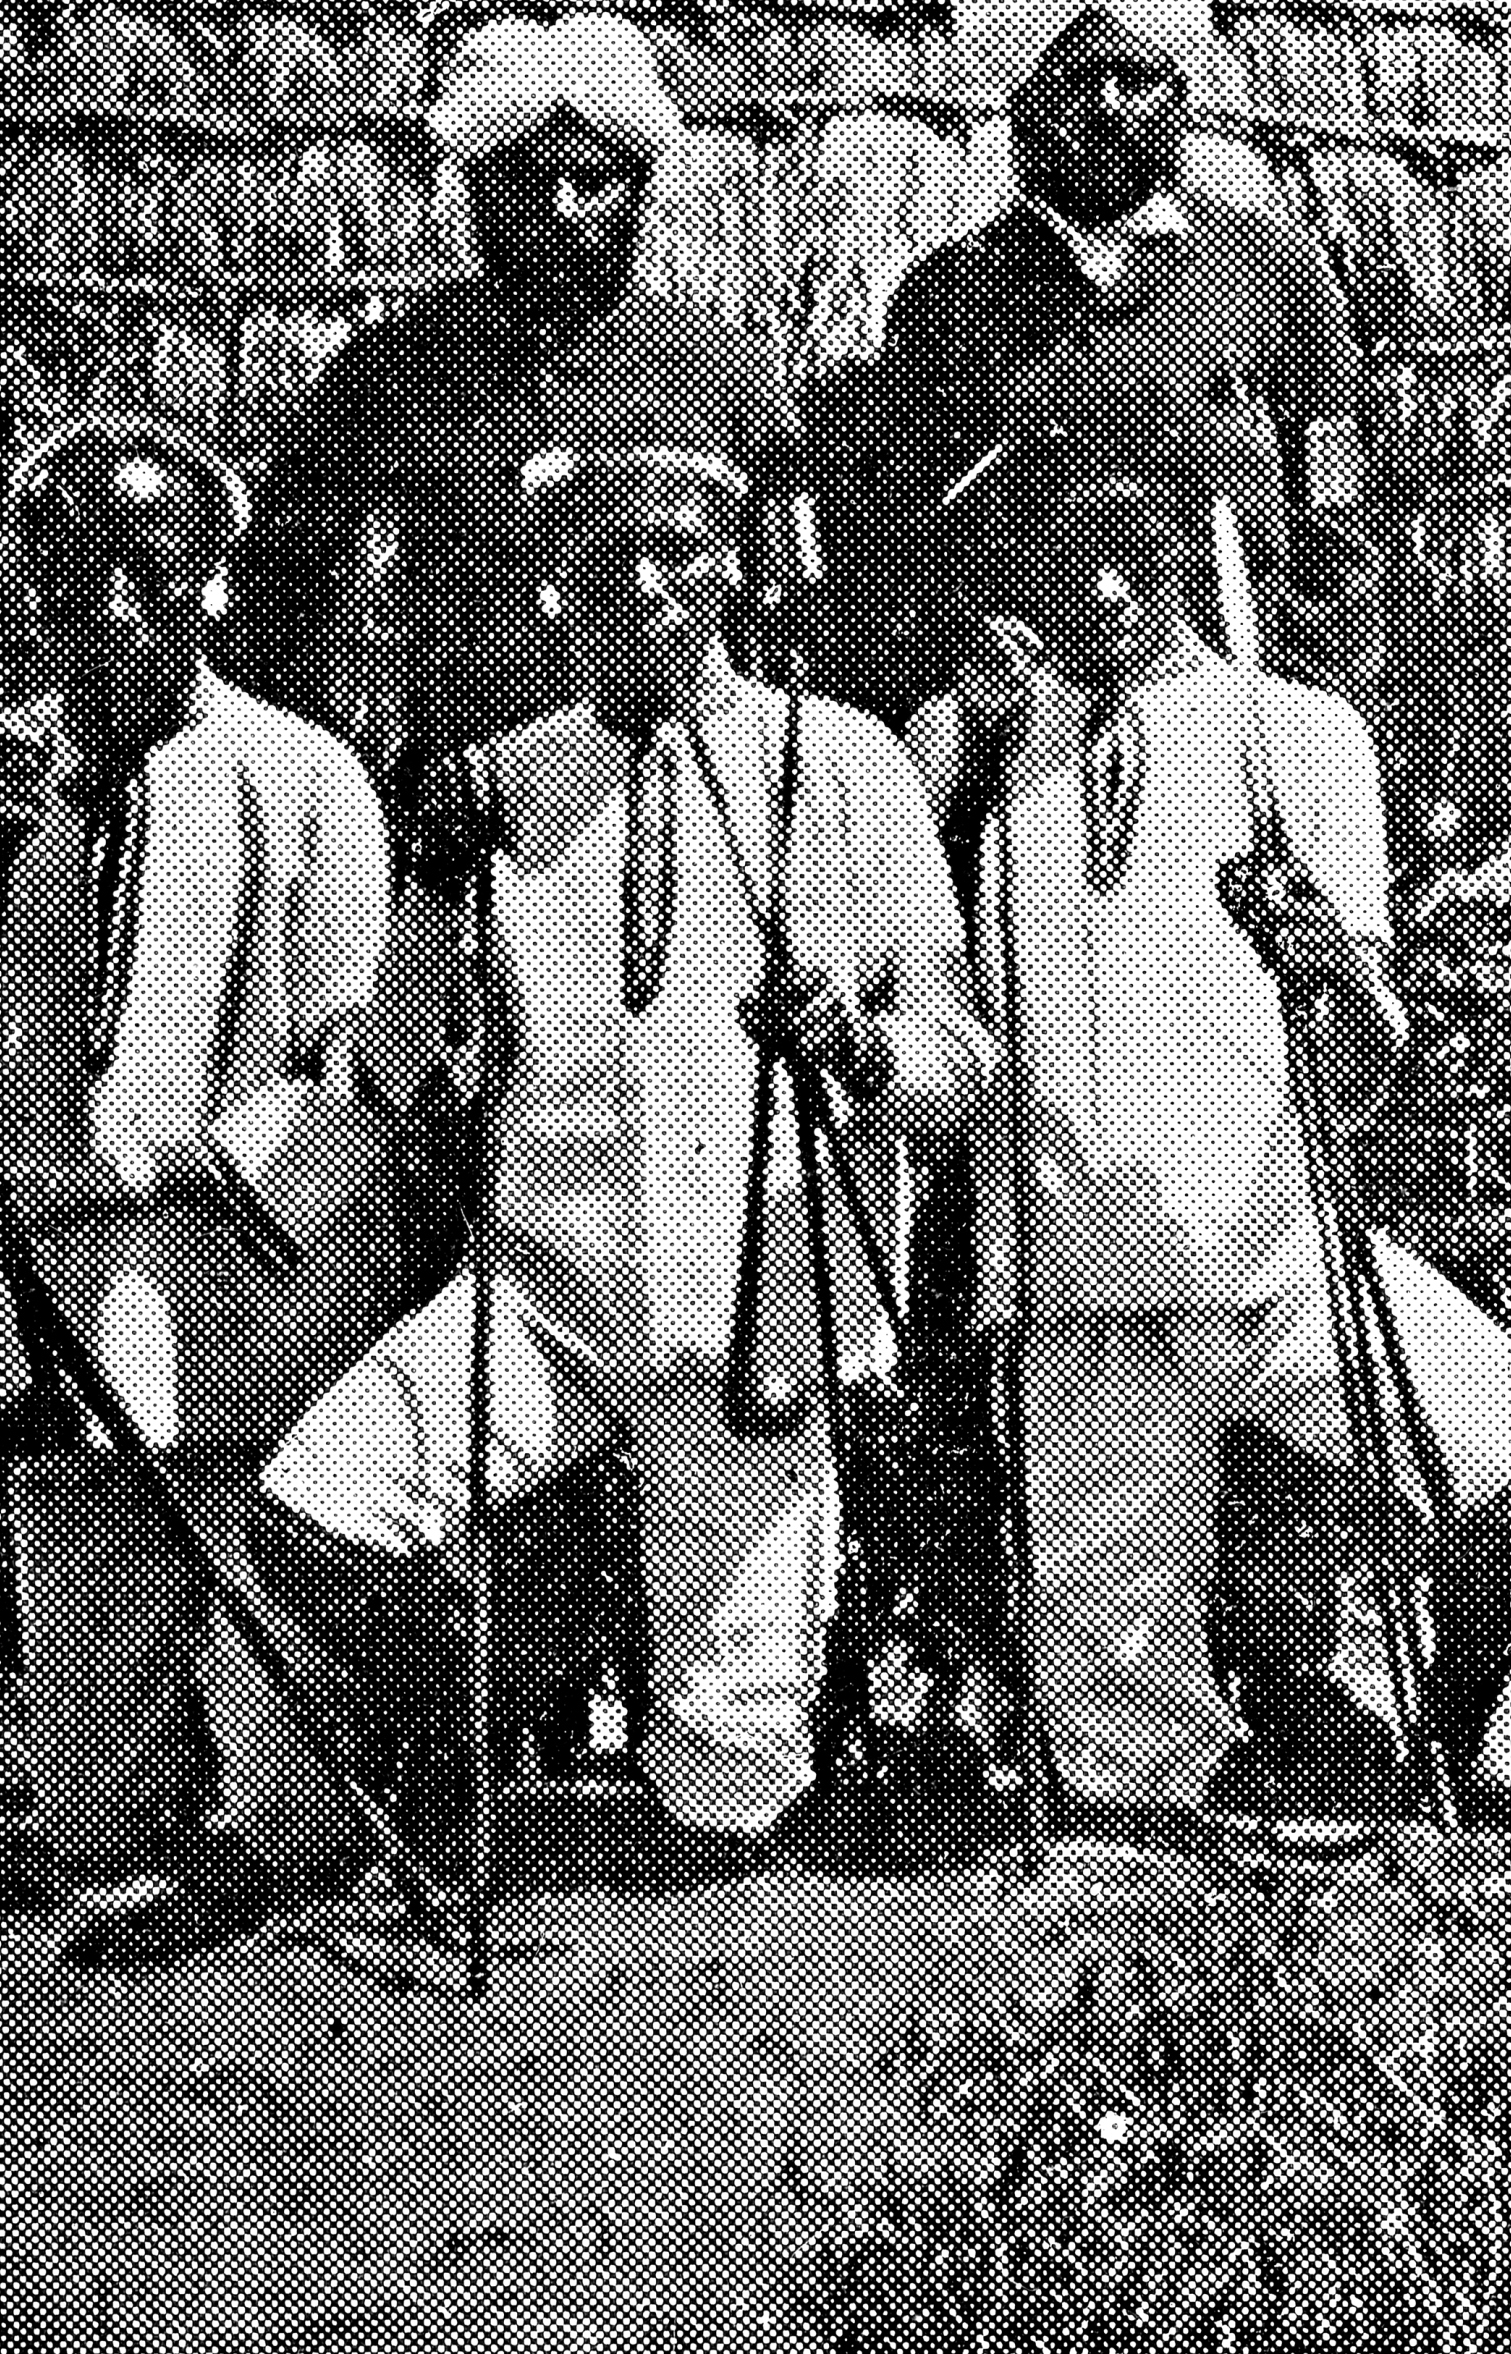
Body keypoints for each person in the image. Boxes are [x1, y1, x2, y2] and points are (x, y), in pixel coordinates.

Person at [256, 440, 973, 1877]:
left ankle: (688, 2042)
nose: (639, 592)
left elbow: (959, 1067)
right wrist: (428, 889)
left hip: (758, 1322)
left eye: (672, 558)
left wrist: (853, 1048)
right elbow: (399, 1074)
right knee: (312, 1508)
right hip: (544, 1304)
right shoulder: (504, 782)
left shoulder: (839, 766)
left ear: (729, 572)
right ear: (552, 594)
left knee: (728, 1791)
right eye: (597, 567)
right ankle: (469, 1727)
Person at [925, 443, 1511, 1836]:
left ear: (1195, 550)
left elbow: (1362, 1066)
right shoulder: (985, 745)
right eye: (1069, 559)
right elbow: (924, 996)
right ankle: (1230, 1786)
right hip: (1069, 1292)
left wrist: (1329, 968)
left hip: (1266, 1245)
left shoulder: (1297, 737)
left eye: (1138, 551)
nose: (1106, 590)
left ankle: (1441, 1749)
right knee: (1124, 1777)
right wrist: (965, 759)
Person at [0, 419, 432, 1957]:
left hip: (243, 1296)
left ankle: (296, 1865)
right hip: (43, 1294)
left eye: (154, 580)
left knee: (293, 1808)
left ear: (213, 589)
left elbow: (360, 1078)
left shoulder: (306, 788)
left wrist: (176, 1166)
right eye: (75, 579)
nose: (114, 617)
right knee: (92, 1820)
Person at [810, 0, 1378, 732]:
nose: (1110, 110)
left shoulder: (1268, 262)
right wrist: (972, 662)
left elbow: (1334, 508)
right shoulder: (947, 297)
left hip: (1237, 708)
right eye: (1074, 82)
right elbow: (903, 537)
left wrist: (1300, 703)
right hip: (1032, 720)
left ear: (1181, 94)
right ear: (1018, 102)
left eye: (1138, 78)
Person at [234, 12, 812, 772]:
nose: (563, 209)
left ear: (641, 187)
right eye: (528, 180)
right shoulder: (391, 368)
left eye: (594, 179)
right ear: (474, 191)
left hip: (681, 780)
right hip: (466, 795)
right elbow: (280, 600)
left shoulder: (720, 367)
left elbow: (788, 607)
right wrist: (354, 779)